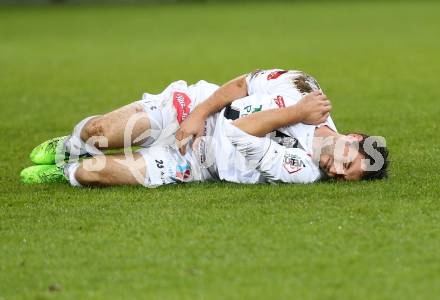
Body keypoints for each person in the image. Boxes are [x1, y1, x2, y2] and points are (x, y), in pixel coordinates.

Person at [20, 69, 389, 186]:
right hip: (191, 109)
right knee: (100, 131)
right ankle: (72, 144)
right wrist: (197, 114)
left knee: (91, 175)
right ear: (353, 139)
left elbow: (239, 132)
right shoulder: (304, 88)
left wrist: (295, 114)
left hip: (195, 163)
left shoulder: (303, 171)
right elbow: (242, 85)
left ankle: (65, 170)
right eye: (346, 162)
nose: (335, 172)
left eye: (344, 177)